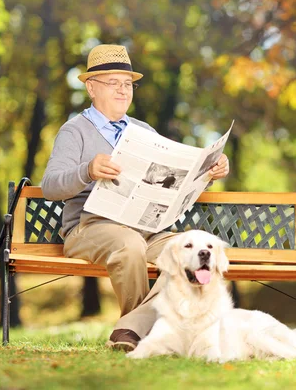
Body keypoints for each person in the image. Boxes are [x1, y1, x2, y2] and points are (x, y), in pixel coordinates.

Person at [41, 44, 230, 352]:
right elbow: (49, 186)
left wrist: (210, 172)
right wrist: (87, 170)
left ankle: (129, 331)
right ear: (91, 87)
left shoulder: (143, 130)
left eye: (127, 84)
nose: (122, 90)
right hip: (90, 228)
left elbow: (174, 182)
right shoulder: (74, 131)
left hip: (145, 228)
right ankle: (142, 333)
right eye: (113, 83)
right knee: (129, 246)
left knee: (184, 252)